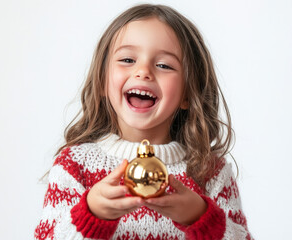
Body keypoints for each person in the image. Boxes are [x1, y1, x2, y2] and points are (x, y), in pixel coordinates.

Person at [34, 4, 253, 240]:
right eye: (127, 59)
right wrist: (91, 216)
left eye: (164, 65)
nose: (143, 71)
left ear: (188, 94)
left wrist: (201, 219)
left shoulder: (211, 172)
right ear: (101, 82)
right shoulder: (74, 165)